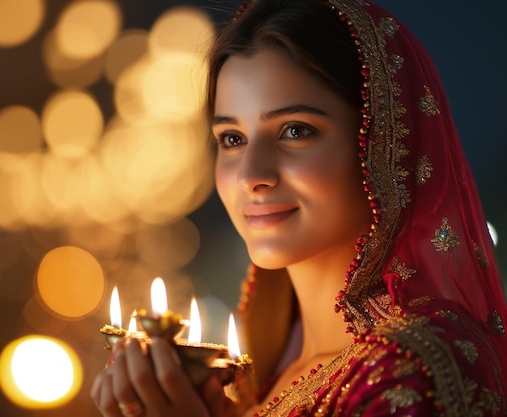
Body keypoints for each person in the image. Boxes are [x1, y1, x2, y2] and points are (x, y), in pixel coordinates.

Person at [91, 0, 507, 416]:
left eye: (295, 131)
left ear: (384, 144)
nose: (250, 174)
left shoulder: (417, 369)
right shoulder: (258, 377)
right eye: (232, 138)